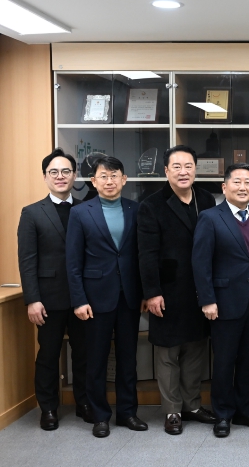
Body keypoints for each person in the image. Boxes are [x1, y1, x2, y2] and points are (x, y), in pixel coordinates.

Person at [137, 145, 217, 435]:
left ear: (196, 169)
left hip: (200, 288)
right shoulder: (151, 205)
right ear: (166, 171)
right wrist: (152, 292)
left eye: (188, 166)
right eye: (177, 167)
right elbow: (146, 254)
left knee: (195, 349)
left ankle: (192, 405)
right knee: (168, 353)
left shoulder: (206, 199)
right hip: (167, 290)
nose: (183, 172)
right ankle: (172, 410)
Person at [67, 155, 146, 438]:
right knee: (96, 359)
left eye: (114, 176)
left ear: (124, 180)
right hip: (94, 298)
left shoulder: (136, 209)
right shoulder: (80, 213)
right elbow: (73, 261)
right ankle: (100, 415)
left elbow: (142, 255)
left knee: (128, 358)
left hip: (129, 297)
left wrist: (145, 293)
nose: (109, 181)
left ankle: (127, 413)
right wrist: (79, 300)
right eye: (103, 176)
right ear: (93, 181)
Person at [192, 163, 249, 438]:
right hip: (223, 302)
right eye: (237, 182)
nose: (243, 187)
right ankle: (223, 414)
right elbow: (200, 262)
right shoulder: (210, 218)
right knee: (224, 362)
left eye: (248, 182)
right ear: (224, 187)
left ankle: (246, 411)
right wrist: (207, 300)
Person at [17, 148, 92, 430]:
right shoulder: (32, 213)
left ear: (75, 175)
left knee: (84, 353)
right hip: (48, 299)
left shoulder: (86, 209)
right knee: (48, 355)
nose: (60, 176)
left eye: (66, 171)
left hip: (83, 297)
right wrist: (32, 299)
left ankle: (84, 403)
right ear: (45, 176)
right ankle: (48, 407)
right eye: (54, 172)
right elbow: (27, 260)